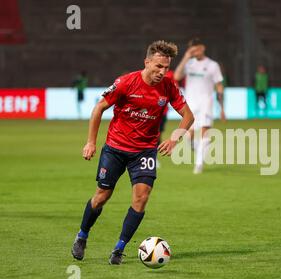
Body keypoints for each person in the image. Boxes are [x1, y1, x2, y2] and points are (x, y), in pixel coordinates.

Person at [71, 40, 194, 265]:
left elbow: (188, 116)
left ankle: (119, 249)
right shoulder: (126, 83)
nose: (162, 72)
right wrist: (90, 142)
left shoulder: (168, 87)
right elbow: (99, 108)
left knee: (141, 197)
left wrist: (175, 139)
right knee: (102, 196)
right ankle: (82, 235)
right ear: (147, 62)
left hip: (145, 151)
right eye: (158, 66)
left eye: (166, 68)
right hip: (115, 149)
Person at [173, 37, 225, 174]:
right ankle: (202, 149)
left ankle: (199, 164)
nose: (195, 51)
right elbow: (177, 76)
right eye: (192, 49)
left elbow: (219, 86)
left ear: (202, 48)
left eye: (196, 48)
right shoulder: (189, 64)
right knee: (187, 138)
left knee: (203, 133)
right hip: (190, 105)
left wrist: (222, 108)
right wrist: (185, 57)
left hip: (206, 104)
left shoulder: (213, 65)